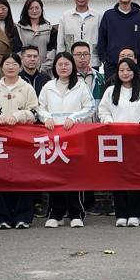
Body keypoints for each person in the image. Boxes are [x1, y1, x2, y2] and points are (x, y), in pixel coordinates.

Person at [99, 57, 140, 227]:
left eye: (128, 70)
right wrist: (109, 122)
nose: (125, 73)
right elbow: (103, 111)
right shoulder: (110, 91)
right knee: (118, 177)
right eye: (121, 70)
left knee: (136, 177)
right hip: (116, 140)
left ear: (135, 71)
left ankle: (135, 213)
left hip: (138, 140)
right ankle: (121, 213)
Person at [38, 52, 95, 229]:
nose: (63, 67)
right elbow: (39, 108)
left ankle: (76, 214)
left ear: (72, 66)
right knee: (55, 176)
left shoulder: (80, 86)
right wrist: (46, 118)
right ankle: (56, 214)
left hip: (75, 137)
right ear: (55, 67)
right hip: (54, 138)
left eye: (67, 64)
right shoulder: (48, 87)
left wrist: (74, 117)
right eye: (60, 64)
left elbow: (91, 107)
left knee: (75, 176)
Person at [0, 54, 39, 229]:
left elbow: (35, 111)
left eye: (14, 64)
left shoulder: (27, 88)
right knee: (0, 177)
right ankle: (2, 218)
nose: (10, 67)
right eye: (7, 64)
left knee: (23, 177)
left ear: (19, 67)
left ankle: (23, 216)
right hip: (0, 139)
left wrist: (19, 116)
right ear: (1, 67)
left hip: (22, 138)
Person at [97, 0, 140, 80]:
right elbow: (102, 39)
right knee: (112, 89)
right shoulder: (109, 15)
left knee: (135, 89)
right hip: (112, 66)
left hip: (134, 65)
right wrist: (105, 60)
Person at [56, 0, 100, 68]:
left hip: (92, 61)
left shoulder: (98, 16)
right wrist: (62, 59)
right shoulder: (65, 16)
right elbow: (60, 42)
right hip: (70, 62)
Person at [16, 0, 54, 73]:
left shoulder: (50, 29)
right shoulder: (18, 28)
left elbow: (52, 51)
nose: (34, 11)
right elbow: (17, 50)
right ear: (26, 10)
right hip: (23, 71)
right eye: (31, 8)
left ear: (41, 9)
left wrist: (43, 69)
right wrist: (25, 68)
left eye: (37, 8)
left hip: (45, 71)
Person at [72, 41, 105, 115]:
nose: (82, 57)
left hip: (95, 120)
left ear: (90, 56)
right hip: (75, 120)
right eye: (78, 54)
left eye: (85, 54)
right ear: (72, 57)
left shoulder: (99, 77)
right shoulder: (68, 77)